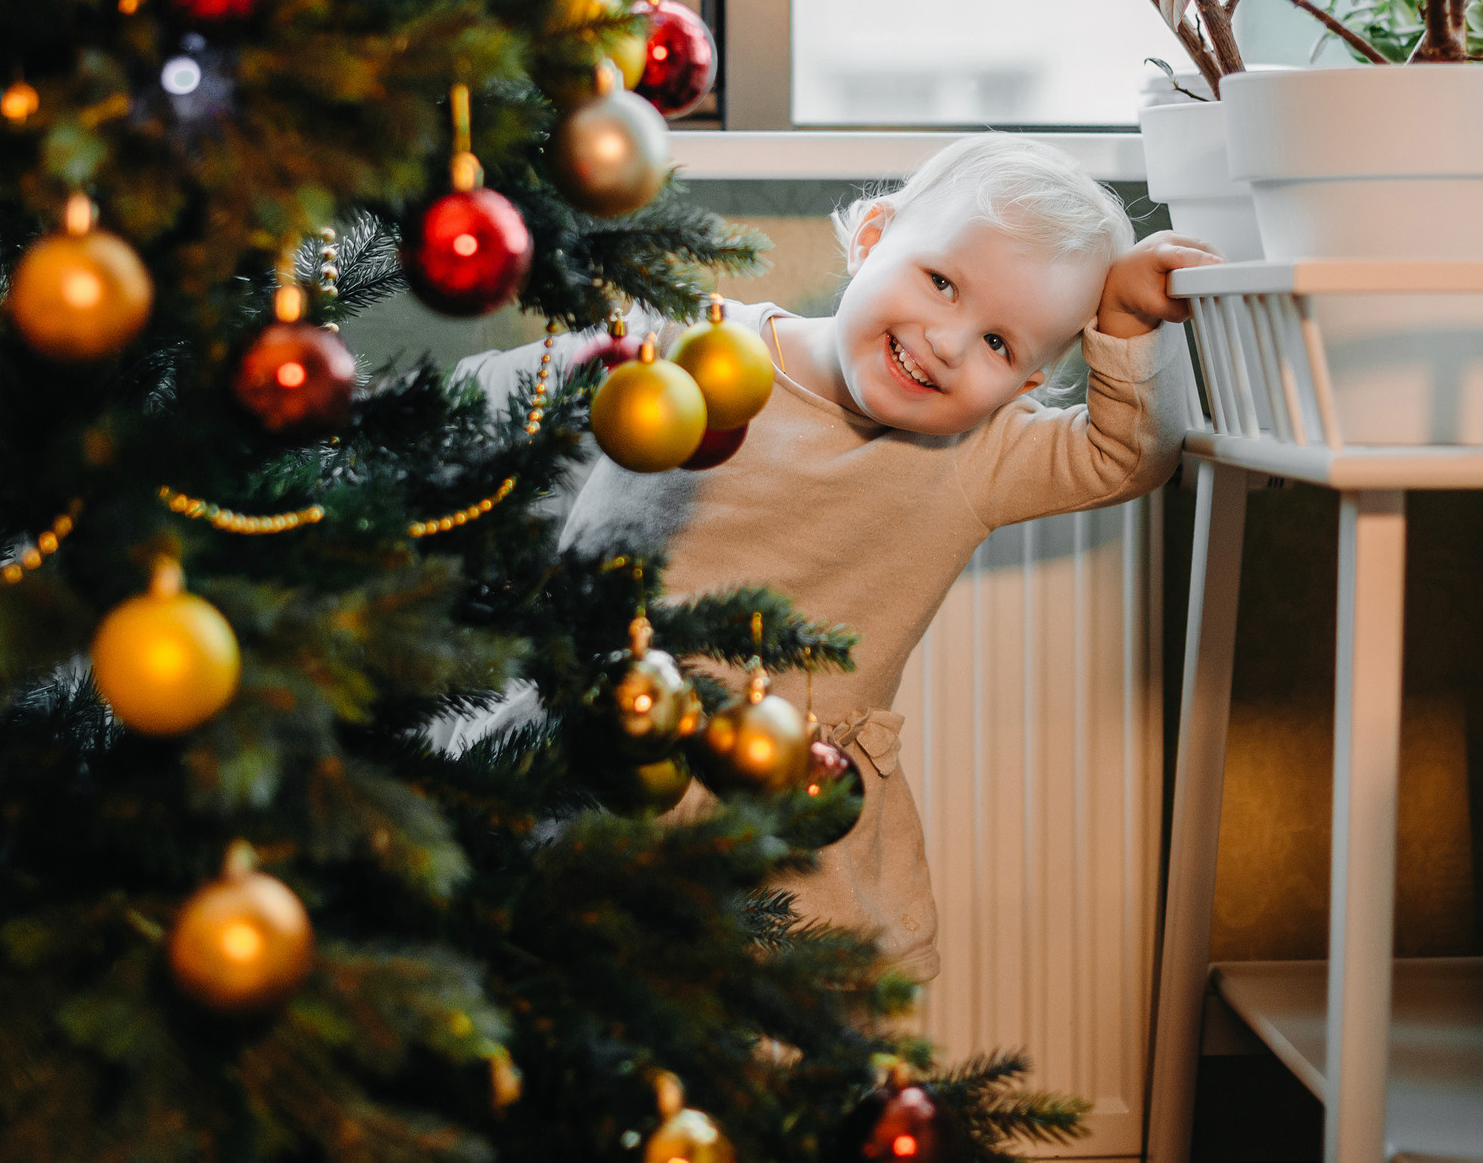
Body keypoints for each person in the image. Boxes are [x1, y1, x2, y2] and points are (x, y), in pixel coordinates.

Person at [457, 134, 1216, 977]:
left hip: (784, 819)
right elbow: (499, 417)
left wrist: (1128, 325)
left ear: (1027, 387)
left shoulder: (982, 454)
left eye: (1002, 345)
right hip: (588, 767)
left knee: (779, 1063)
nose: (948, 343)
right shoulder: (690, 353)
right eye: (942, 282)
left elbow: (1132, 453)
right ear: (873, 235)